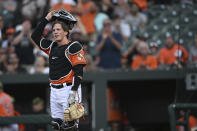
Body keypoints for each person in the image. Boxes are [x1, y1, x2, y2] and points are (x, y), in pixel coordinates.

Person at [31, 10, 86, 130]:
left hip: (69, 89)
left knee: (70, 126)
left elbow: (79, 72)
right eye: (54, 30)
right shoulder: (52, 46)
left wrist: (73, 92)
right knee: (57, 125)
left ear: (66, 32)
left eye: (58, 30)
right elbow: (34, 36)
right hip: (54, 90)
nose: (55, 32)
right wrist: (46, 19)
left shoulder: (74, 46)